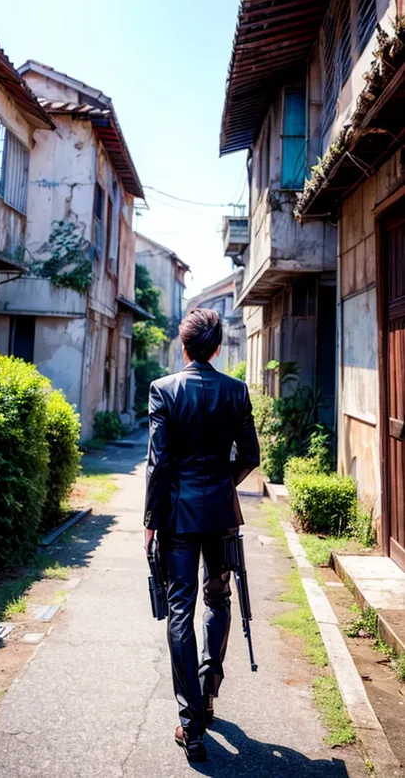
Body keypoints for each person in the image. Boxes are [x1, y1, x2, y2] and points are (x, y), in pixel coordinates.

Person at [144, 308, 260, 762]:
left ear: (184, 345)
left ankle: (191, 726)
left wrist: (151, 520)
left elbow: (159, 463)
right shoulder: (237, 391)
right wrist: (220, 485)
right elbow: (249, 455)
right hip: (220, 514)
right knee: (219, 599)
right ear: (215, 348)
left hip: (176, 518)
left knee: (179, 609)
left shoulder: (164, 390)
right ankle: (208, 690)